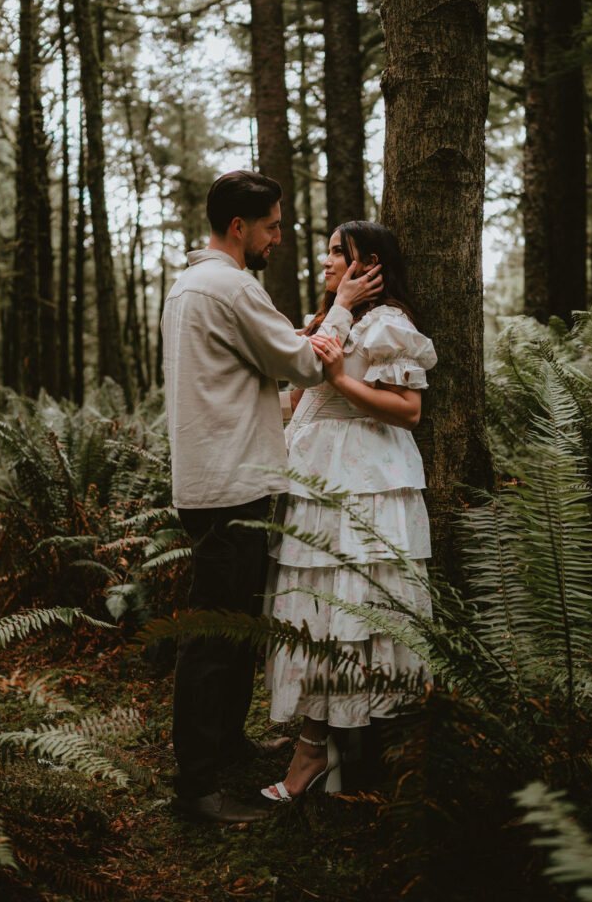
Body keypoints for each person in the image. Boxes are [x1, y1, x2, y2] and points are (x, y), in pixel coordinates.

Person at [161, 171, 382, 825]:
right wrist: (342, 305)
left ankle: (225, 746)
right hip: (231, 481)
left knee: (230, 631)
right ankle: (197, 786)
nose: (279, 238)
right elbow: (305, 364)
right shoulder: (229, 285)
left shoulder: (188, 283)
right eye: (273, 226)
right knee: (211, 637)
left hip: (210, 478)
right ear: (239, 228)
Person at [261, 221, 437, 803]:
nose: (328, 259)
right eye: (331, 250)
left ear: (372, 266)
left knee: (354, 608)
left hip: (366, 484)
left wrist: (338, 376)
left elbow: (408, 410)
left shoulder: (389, 325)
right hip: (318, 484)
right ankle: (326, 743)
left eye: (342, 252)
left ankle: (325, 749)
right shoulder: (331, 322)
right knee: (317, 608)